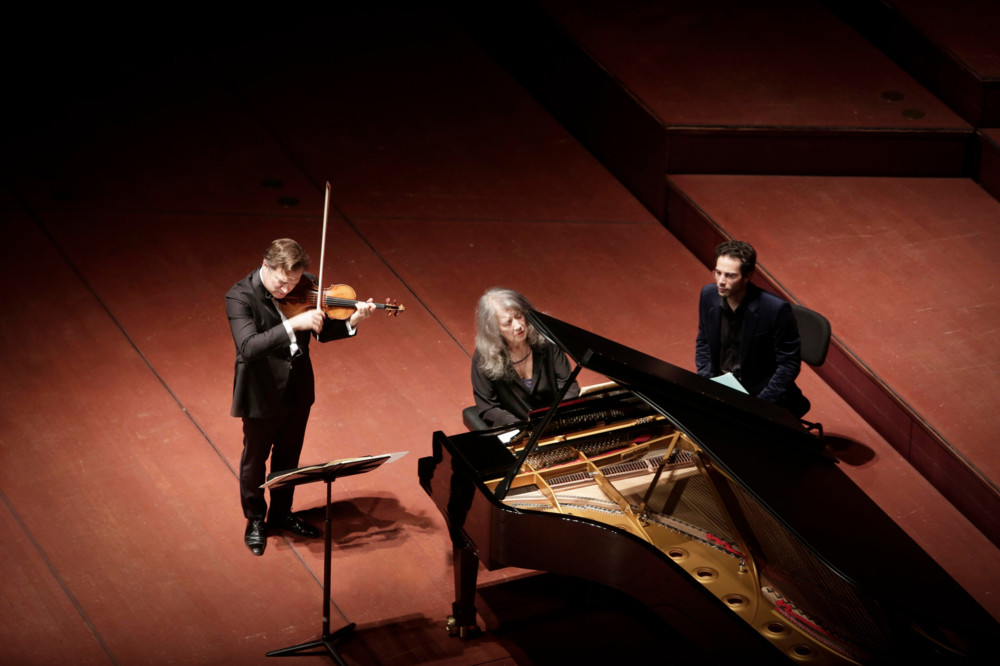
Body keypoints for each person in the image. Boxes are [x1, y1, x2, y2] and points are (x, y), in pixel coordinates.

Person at [226, 238, 376, 556]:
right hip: (260, 391)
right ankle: (255, 519)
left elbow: (322, 331)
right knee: (254, 461)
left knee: (289, 457)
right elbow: (249, 347)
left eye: (294, 281)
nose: (287, 289)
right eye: (282, 282)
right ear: (266, 266)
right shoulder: (240, 296)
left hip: (297, 387)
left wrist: (352, 321)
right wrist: (295, 323)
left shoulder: (307, 286)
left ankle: (281, 513)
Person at [695, 240, 810, 417]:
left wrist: (760, 404)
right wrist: (707, 380)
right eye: (718, 273)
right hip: (721, 385)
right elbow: (703, 340)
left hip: (760, 393)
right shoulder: (708, 295)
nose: (721, 281)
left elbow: (789, 364)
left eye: (730, 276)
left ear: (748, 276)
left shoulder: (775, 309)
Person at [471, 288, 580, 427]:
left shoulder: (547, 341)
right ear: (494, 330)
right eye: (508, 323)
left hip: (557, 421)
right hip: (516, 429)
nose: (518, 326)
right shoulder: (484, 357)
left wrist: (559, 415)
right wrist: (520, 426)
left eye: (519, 316)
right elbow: (488, 408)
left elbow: (568, 384)